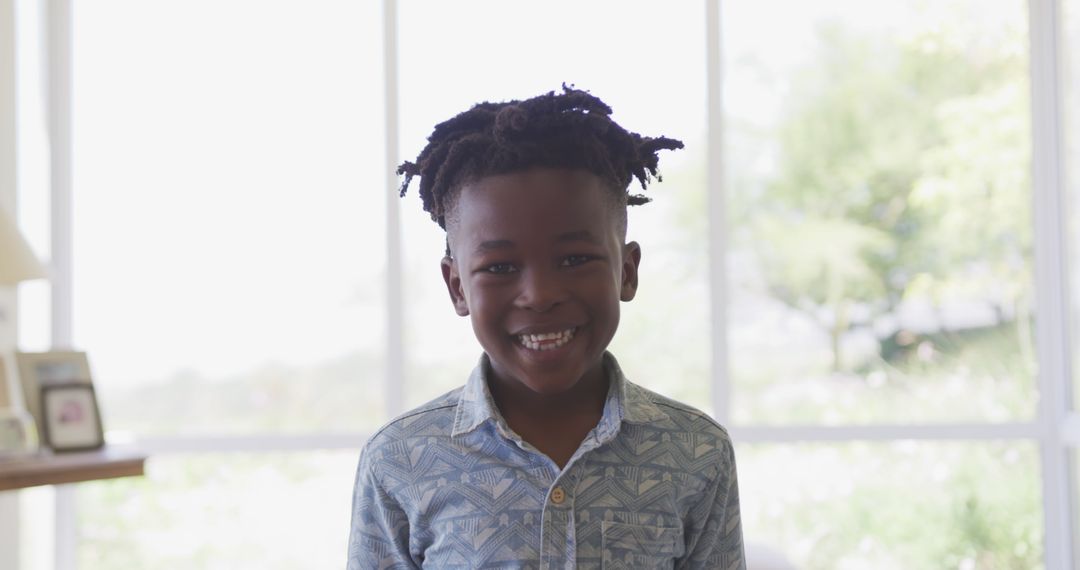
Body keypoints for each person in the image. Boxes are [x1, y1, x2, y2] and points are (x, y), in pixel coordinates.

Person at [348, 85, 746, 569]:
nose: (539, 295)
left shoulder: (696, 452)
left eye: (575, 258)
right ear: (457, 288)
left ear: (627, 270)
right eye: (498, 267)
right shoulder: (399, 461)